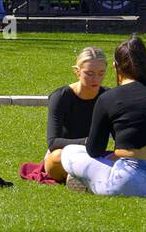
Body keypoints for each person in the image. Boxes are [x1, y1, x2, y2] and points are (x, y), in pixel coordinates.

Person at [60, 35, 146, 197]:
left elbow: (94, 149)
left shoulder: (108, 97)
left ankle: (86, 181)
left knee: (69, 151)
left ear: (115, 66)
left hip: (129, 182)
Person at [42, 47, 108, 183]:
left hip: (95, 155)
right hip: (64, 154)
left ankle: (81, 177)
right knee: (56, 157)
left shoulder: (108, 97)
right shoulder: (60, 97)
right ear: (77, 72)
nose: (96, 79)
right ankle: (82, 176)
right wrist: (87, 142)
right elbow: (53, 142)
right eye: (89, 73)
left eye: (101, 73)